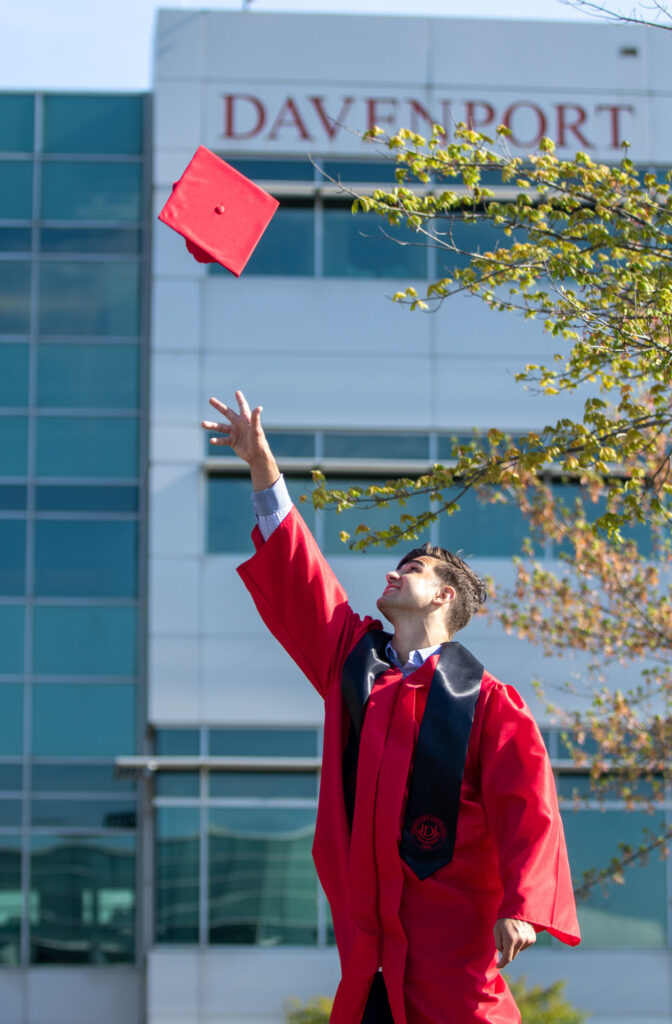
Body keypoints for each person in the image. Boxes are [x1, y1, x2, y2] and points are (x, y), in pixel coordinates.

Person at [202, 391, 580, 1024]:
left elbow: (529, 806)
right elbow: (303, 581)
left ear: (443, 598)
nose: (394, 574)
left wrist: (522, 903)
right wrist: (263, 468)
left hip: (452, 970)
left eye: (415, 568)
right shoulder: (356, 665)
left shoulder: (487, 703)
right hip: (370, 967)